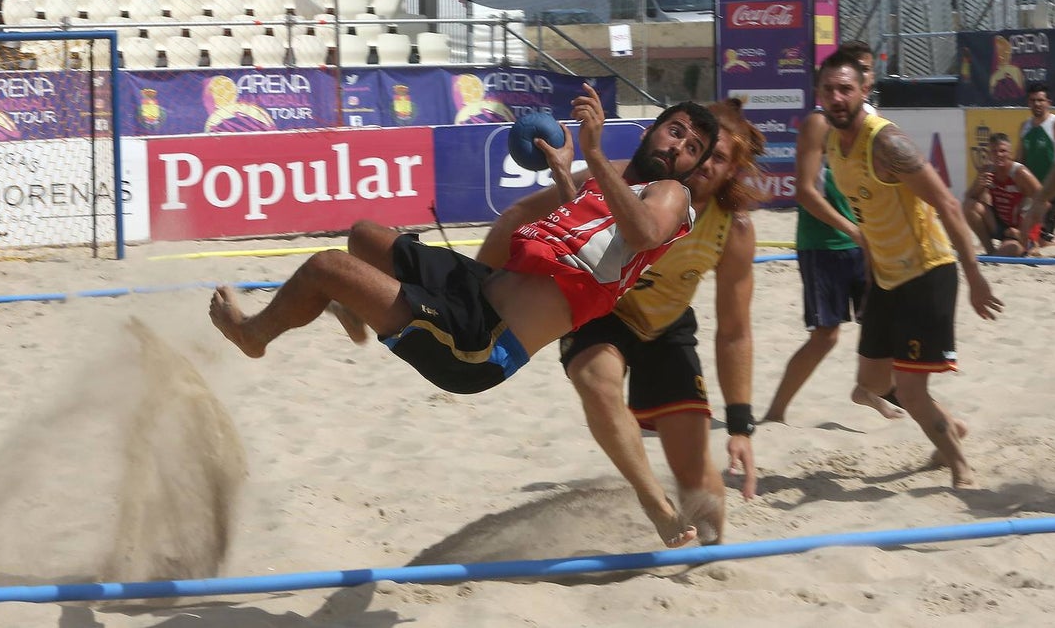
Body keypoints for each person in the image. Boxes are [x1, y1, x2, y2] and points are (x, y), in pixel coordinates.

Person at [209, 86, 719, 528]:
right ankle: (358, 308)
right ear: (653, 130)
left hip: (480, 342)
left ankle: (254, 335)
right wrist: (566, 173)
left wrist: (593, 152)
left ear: (693, 169)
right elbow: (589, 230)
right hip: (478, 289)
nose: (678, 147)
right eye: (675, 132)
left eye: (691, 148)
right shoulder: (620, 184)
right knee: (364, 237)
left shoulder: (671, 194)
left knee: (327, 267)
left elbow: (643, 232)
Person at [475, 98, 765, 547]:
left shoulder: (733, 229)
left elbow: (734, 331)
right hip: (601, 311)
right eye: (696, 149)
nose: (705, 163)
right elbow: (518, 216)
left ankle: (708, 557)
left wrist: (741, 424)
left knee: (697, 477)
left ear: (729, 170)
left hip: (665, 325)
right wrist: (478, 286)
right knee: (596, 379)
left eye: (716, 157)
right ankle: (652, 499)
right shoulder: (620, 178)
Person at [816, 49, 1002, 489]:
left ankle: (960, 468)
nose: (837, 97)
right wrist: (870, 270)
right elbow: (867, 214)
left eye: (845, 89)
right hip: (886, 277)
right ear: (819, 94)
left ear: (864, 90)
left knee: (910, 390)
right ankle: (948, 427)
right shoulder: (832, 142)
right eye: (828, 89)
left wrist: (975, 277)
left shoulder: (886, 143)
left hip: (926, 272)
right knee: (871, 383)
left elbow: (947, 203)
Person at [764, 40, 903, 424]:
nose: (858, 76)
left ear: (867, 80)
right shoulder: (820, 123)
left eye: (865, 69)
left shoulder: (875, 123)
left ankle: (868, 390)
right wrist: (855, 231)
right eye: (849, 71)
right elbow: (805, 192)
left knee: (883, 325)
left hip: (868, 241)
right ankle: (775, 413)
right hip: (825, 243)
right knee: (826, 335)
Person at [964, 132, 1042, 257]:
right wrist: (979, 186)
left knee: (1009, 250)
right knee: (969, 205)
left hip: (1020, 230)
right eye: (994, 151)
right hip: (1001, 225)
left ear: (1010, 153)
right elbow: (969, 198)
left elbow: (1044, 202)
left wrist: (1023, 232)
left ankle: (1029, 245)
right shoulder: (987, 170)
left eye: (1002, 151)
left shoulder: (1020, 173)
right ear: (989, 154)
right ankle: (990, 250)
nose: (998, 155)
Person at [1017, 82, 1055, 243]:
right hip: (1032, 191)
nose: (1037, 104)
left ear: (1048, 102)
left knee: (1042, 242)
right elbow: (1019, 159)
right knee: (1024, 238)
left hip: (1051, 192)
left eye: (1040, 100)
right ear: (1028, 102)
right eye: (1033, 100)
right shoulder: (1025, 126)